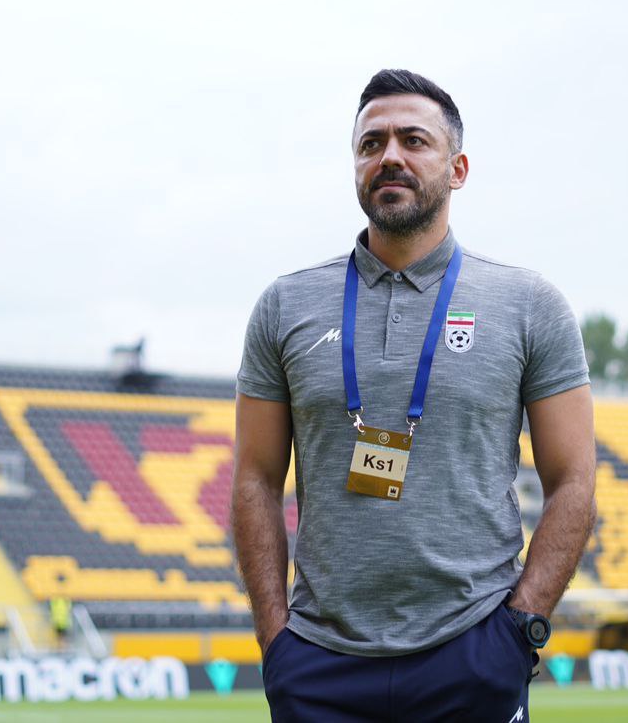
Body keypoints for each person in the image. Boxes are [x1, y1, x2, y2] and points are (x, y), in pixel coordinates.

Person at [232, 69, 596, 722]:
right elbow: (256, 478)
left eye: (412, 140)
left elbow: (574, 479)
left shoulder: (528, 304)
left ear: (456, 168)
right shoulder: (285, 304)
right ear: (355, 168)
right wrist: (275, 641)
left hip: (473, 652)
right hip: (318, 662)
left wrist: (523, 628)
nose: (389, 156)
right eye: (371, 144)